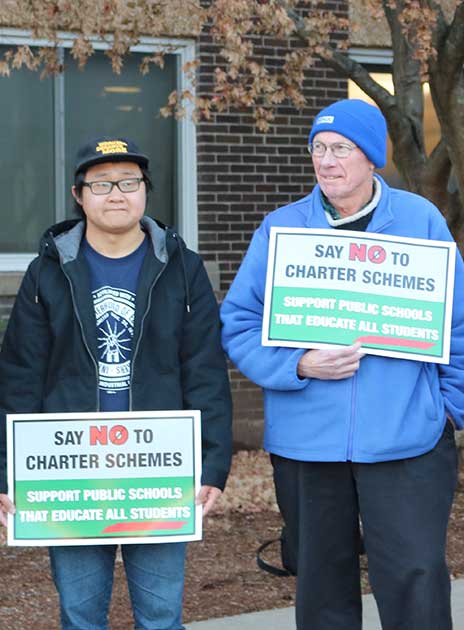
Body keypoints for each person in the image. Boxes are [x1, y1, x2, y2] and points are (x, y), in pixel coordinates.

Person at [220, 99, 464, 630]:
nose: (326, 161)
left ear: (371, 158)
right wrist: (298, 364)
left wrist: (444, 411)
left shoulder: (419, 220)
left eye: (341, 149)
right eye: (318, 149)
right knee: (320, 587)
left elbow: (462, 328)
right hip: (307, 444)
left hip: (406, 440)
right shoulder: (282, 229)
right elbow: (240, 323)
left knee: (416, 580)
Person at [0, 136, 233, 629]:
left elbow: (205, 371)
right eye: (101, 184)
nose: (117, 194)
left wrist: (213, 463)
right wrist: (7, 472)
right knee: (80, 616)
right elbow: (20, 376)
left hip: (159, 471)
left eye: (130, 182)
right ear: (78, 195)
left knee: (162, 617)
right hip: (70, 472)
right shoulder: (48, 272)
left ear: (146, 192)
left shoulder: (183, 269)